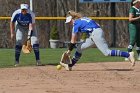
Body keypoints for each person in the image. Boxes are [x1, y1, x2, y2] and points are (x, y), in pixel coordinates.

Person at [60, 10, 135, 71]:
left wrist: (69, 51)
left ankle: (128, 55)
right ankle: (70, 66)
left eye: (69, 22)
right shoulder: (83, 18)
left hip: (95, 34)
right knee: (80, 48)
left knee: (106, 52)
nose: (69, 24)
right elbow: (96, 24)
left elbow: (73, 41)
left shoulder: (75, 24)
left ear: (72, 19)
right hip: (95, 33)